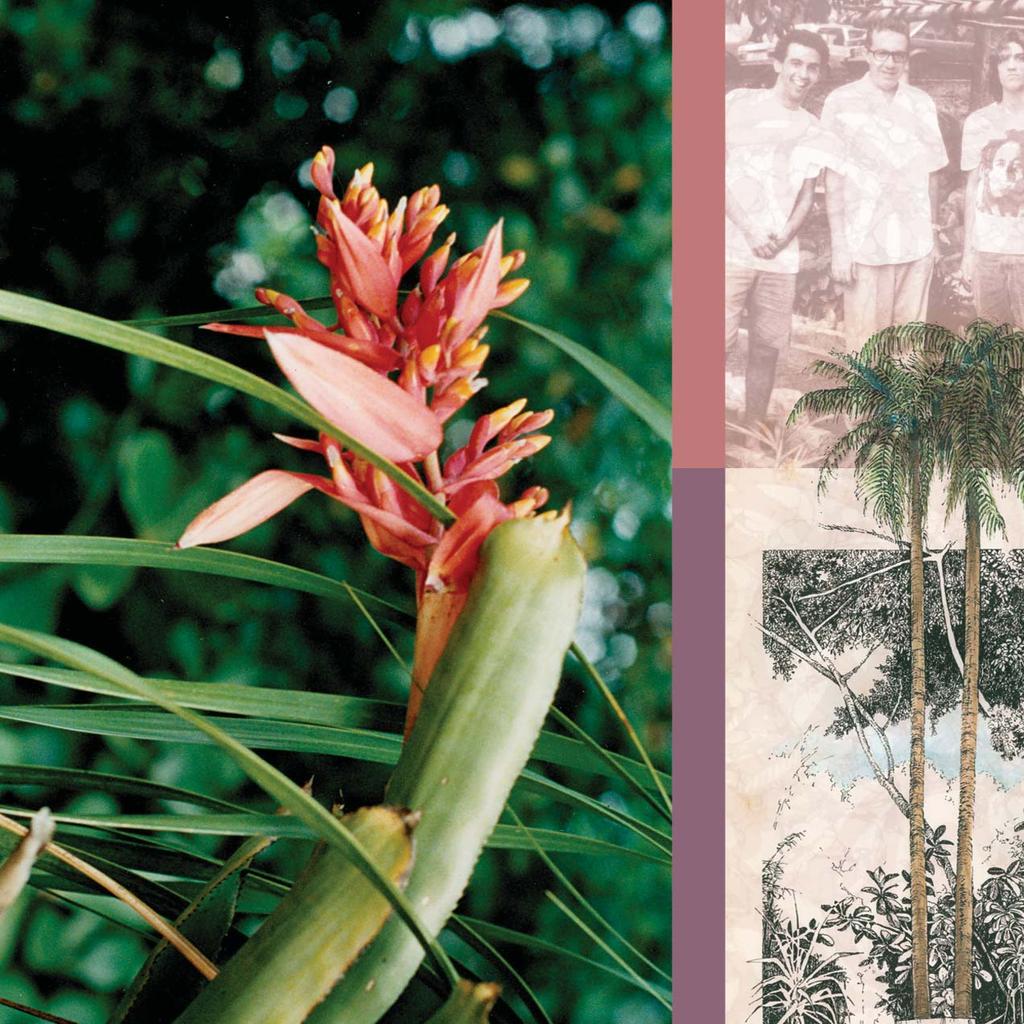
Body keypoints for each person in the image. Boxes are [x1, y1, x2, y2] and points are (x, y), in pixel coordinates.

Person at [725, 28, 839, 426]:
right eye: (795, 63)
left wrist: (785, 235)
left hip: (779, 257)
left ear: (820, 73)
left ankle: (753, 426)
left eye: (812, 67)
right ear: (777, 63)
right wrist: (750, 231)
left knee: (766, 347)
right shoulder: (738, 104)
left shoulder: (814, 129)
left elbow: (807, 195)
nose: (802, 74)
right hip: (729, 248)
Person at [821, 16, 948, 349]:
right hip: (864, 247)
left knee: (909, 356)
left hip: (914, 246)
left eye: (898, 55)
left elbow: (932, 172)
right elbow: (832, 177)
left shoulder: (921, 104)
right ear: (867, 53)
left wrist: (932, 235)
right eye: (882, 53)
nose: (890, 62)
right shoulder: (840, 101)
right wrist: (840, 246)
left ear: (906, 58)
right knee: (865, 353)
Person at [961, 31, 1024, 326]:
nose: (1013, 65)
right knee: (993, 352)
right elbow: (972, 187)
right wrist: (967, 254)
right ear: (995, 68)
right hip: (988, 253)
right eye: (1005, 58)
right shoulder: (978, 123)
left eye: (1021, 57)